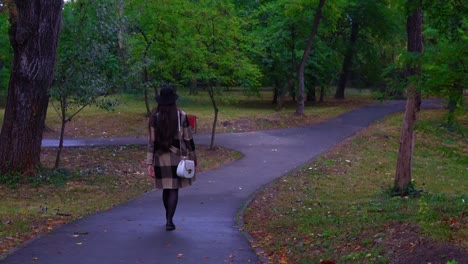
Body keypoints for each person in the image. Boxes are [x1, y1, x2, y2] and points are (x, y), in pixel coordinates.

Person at [146, 85, 197, 231]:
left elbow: (151, 142)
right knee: (174, 189)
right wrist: (193, 157)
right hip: (177, 157)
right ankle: (170, 220)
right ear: (174, 99)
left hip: (160, 158)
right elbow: (188, 139)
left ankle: (167, 217)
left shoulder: (154, 117)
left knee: (165, 188)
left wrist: (149, 162)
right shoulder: (181, 115)